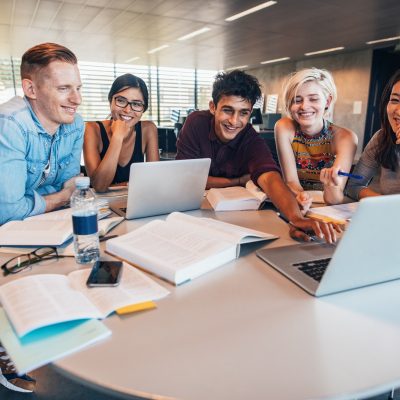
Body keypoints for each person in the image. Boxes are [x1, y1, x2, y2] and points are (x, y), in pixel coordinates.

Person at [0, 42, 84, 392]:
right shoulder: (10, 124)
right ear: (31, 88)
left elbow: (70, 184)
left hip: (32, 225)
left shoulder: (74, 123)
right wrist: (58, 199)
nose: (76, 99)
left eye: (78, 88)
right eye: (64, 88)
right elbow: (8, 208)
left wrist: (59, 197)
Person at [176, 69, 339, 243]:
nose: (234, 121)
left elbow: (270, 178)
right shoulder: (196, 123)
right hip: (193, 212)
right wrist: (237, 181)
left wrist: (296, 218)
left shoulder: (251, 139)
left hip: (233, 216)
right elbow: (186, 178)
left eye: (243, 113)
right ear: (213, 107)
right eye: (228, 110)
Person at [275, 68, 358, 211]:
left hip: (331, 209)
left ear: (328, 101)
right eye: (297, 100)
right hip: (297, 204)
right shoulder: (284, 127)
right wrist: (301, 196)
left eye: (313, 99)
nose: (304, 106)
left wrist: (330, 186)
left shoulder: (346, 138)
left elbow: (335, 200)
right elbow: (291, 181)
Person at [84, 74, 159, 192]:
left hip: (136, 202)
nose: (127, 110)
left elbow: (154, 181)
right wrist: (117, 137)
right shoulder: (92, 129)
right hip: (102, 206)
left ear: (143, 109)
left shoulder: (148, 129)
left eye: (136, 104)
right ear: (110, 101)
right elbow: (99, 186)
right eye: (121, 100)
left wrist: (117, 186)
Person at [346, 69, 400, 199]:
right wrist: (385, 204)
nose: (398, 111)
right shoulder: (382, 138)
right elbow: (354, 185)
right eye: (395, 100)